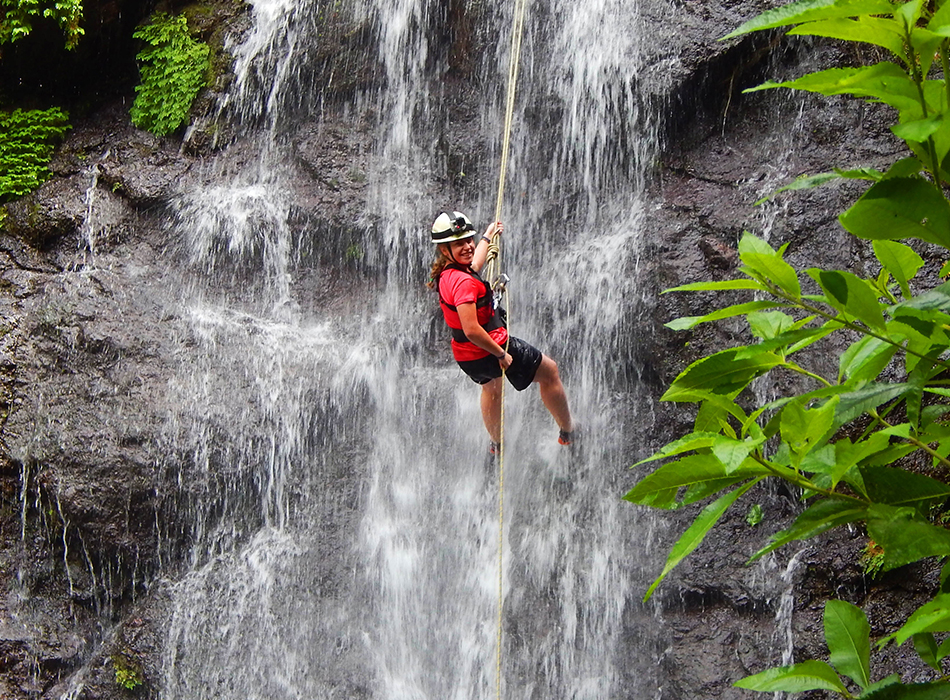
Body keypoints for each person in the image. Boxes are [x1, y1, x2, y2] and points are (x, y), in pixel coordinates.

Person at [427, 210, 574, 455]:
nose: (467, 246)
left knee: (490, 387)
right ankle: (568, 431)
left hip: (468, 357)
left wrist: (486, 238)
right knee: (550, 372)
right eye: (458, 243)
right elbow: (472, 329)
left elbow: (474, 265)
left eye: (468, 240)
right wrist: (500, 355)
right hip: (488, 349)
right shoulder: (463, 283)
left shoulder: (448, 275)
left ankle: (496, 443)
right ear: (444, 250)